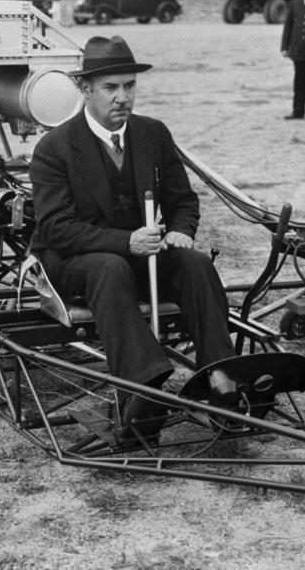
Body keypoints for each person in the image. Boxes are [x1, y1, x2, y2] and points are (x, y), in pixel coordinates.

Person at [29, 35, 239, 446]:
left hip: (140, 252)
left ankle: (222, 376)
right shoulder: (54, 148)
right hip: (74, 261)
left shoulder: (153, 134)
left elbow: (183, 200)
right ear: (85, 89)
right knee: (110, 267)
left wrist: (181, 229)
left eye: (129, 86)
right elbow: (55, 228)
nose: (122, 97)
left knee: (195, 262)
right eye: (110, 88)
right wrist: (127, 241)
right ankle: (145, 387)